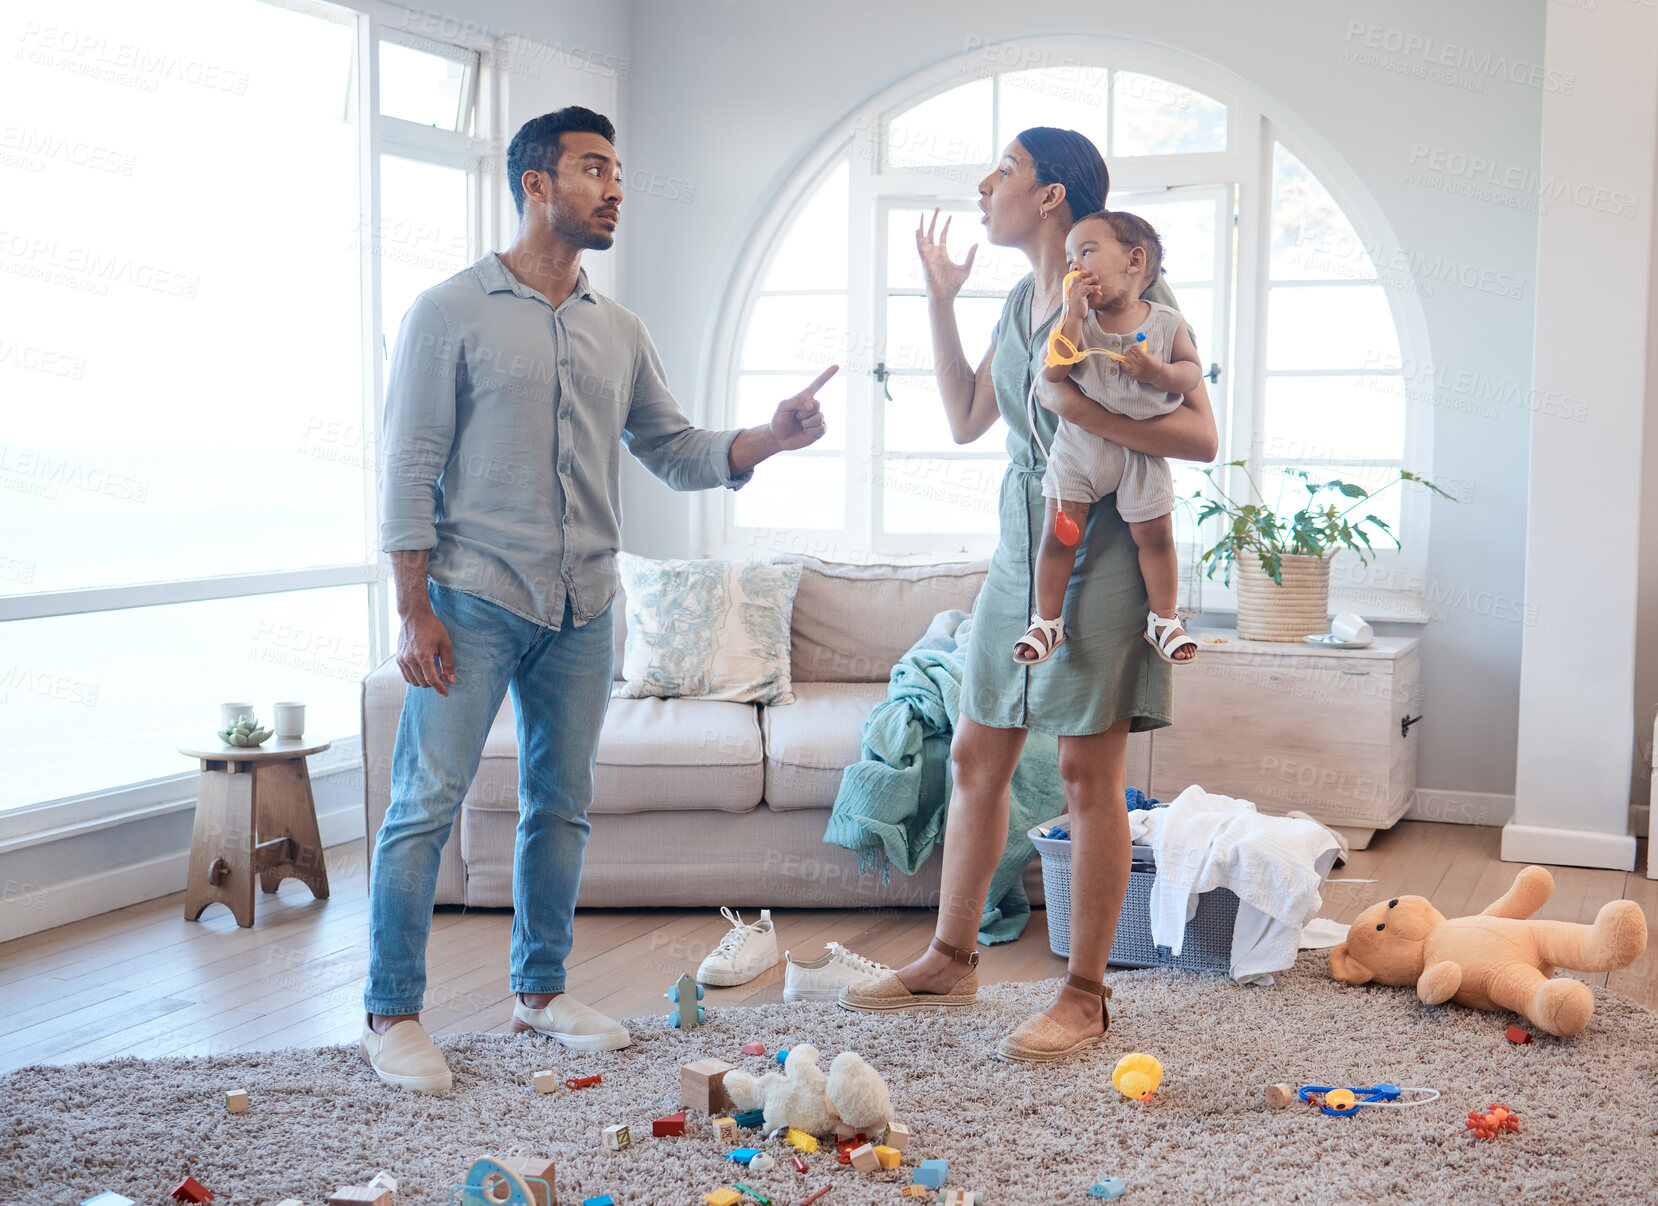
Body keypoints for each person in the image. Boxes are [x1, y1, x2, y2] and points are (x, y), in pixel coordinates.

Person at [362, 106, 834, 1093]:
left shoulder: (619, 330)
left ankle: (539, 993)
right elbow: (409, 464)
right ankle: (391, 1012)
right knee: (423, 804)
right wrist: (413, 607)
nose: (614, 187)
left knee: (561, 806)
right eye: (592, 169)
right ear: (536, 183)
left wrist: (768, 438)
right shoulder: (448, 311)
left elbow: (674, 451)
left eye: (617, 171)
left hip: (584, 612)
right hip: (472, 603)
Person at [838, 128, 1217, 1063]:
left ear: (1051, 197)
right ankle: (949, 958)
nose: (984, 184)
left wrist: (1085, 411)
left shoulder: (1134, 295)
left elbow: (1201, 438)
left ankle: (1085, 997)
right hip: (1027, 541)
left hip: (1112, 549)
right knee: (975, 752)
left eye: (1002, 170)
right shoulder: (1017, 303)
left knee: (1090, 773)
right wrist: (939, 301)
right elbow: (970, 417)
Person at [1012, 209, 1204, 668]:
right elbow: (1054, 372)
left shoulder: (1167, 324)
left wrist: (1157, 371)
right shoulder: (1075, 320)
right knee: (1060, 536)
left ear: (1134, 261)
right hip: (1080, 448)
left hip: (1143, 451)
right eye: (1070, 257)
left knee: (1157, 536)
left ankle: (1164, 619)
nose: (1075, 265)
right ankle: (1047, 621)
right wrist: (1074, 317)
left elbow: (1191, 373)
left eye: (1087, 252)